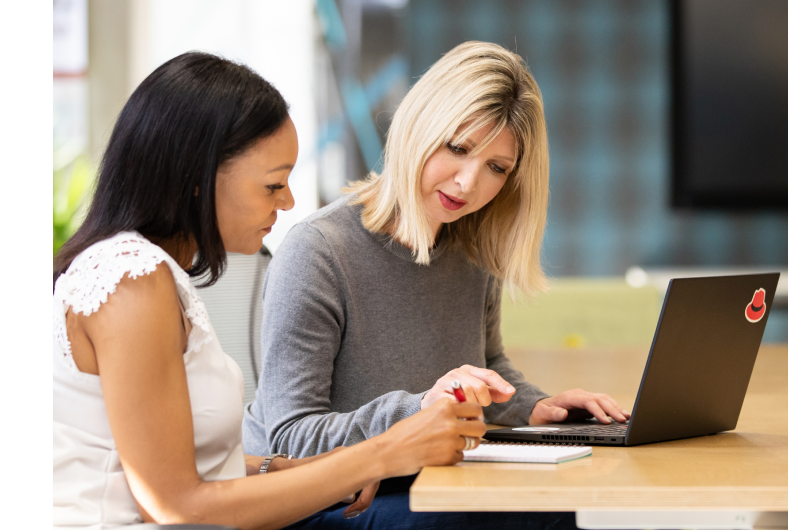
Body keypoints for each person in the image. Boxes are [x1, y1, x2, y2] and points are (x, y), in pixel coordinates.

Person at [42, 52, 564, 530]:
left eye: (497, 168)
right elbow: (177, 504)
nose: (289, 202)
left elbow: (185, 470)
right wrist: (382, 451)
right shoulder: (131, 282)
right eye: (273, 184)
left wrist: (285, 468)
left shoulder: (155, 279)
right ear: (198, 178)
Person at [247, 41, 616, 523]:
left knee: (547, 508)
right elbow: (290, 437)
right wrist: (421, 409)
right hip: (328, 497)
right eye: (457, 149)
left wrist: (535, 407)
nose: (467, 184)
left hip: (428, 478)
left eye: (496, 168)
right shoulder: (317, 251)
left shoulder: (470, 249)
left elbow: (486, 363)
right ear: (419, 129)